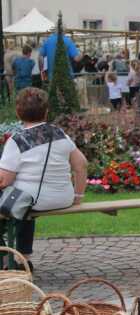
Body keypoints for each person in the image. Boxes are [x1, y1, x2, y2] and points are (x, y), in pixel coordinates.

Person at [0, 88, 88, 268]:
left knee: (18, 201)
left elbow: (4, 181)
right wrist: (78, 197)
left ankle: (5, 258)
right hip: (63, 199)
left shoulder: (17, 140)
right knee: (23, 204)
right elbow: (82, 164)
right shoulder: (59, 133)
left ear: (18, 112)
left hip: (32, 200)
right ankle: (24, 258)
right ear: (46, 112)